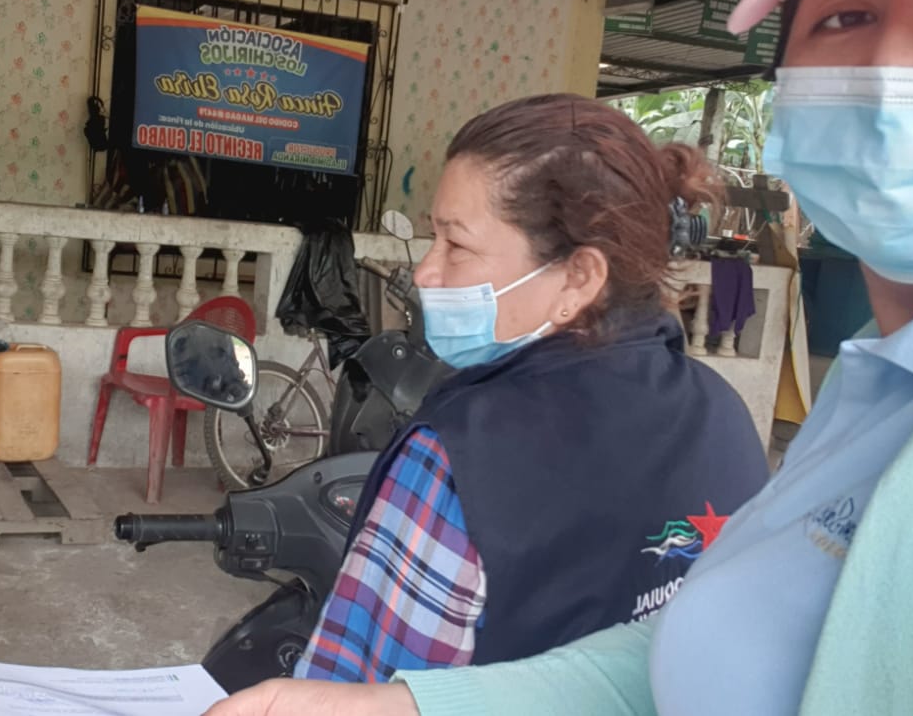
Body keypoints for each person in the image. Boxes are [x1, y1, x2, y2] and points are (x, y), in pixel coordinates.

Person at [204, 0, 913, 713]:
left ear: (578, 279)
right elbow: (701, 662)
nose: (895, 68)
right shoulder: (831, 398)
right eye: (846, 15)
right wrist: (410, 707)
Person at [287, 94, 769, 685]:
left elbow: (353, 688)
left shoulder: (457, 455)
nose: (426, 272)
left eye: (456, 245)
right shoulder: (722, 411)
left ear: (578, 277)